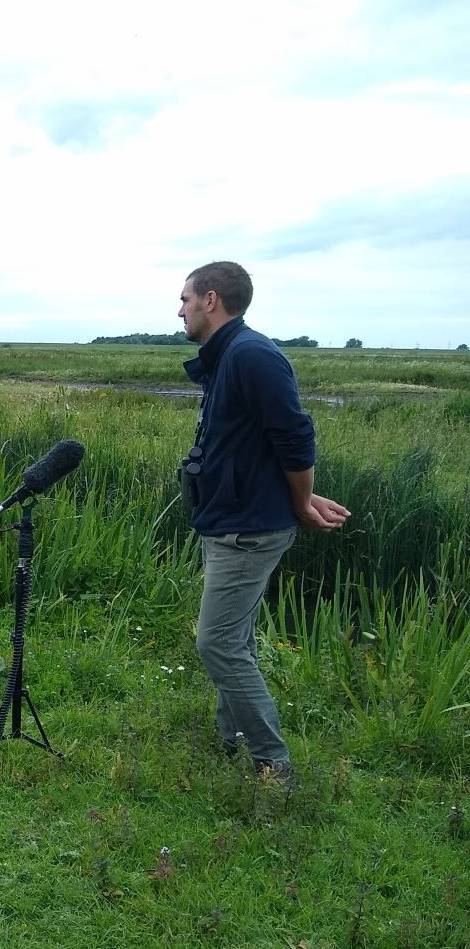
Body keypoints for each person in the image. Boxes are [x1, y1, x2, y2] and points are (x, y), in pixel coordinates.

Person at [177, 261, 349, 781]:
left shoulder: (253, 355)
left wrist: (302, 501)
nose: (178, 309)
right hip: (230, 519)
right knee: (237, 637)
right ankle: (230, 739)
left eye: (184, 298)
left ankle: (273, 764)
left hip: (248, 528)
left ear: (211, 300)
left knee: (218, 642)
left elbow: (295, 437)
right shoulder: (229, 355)